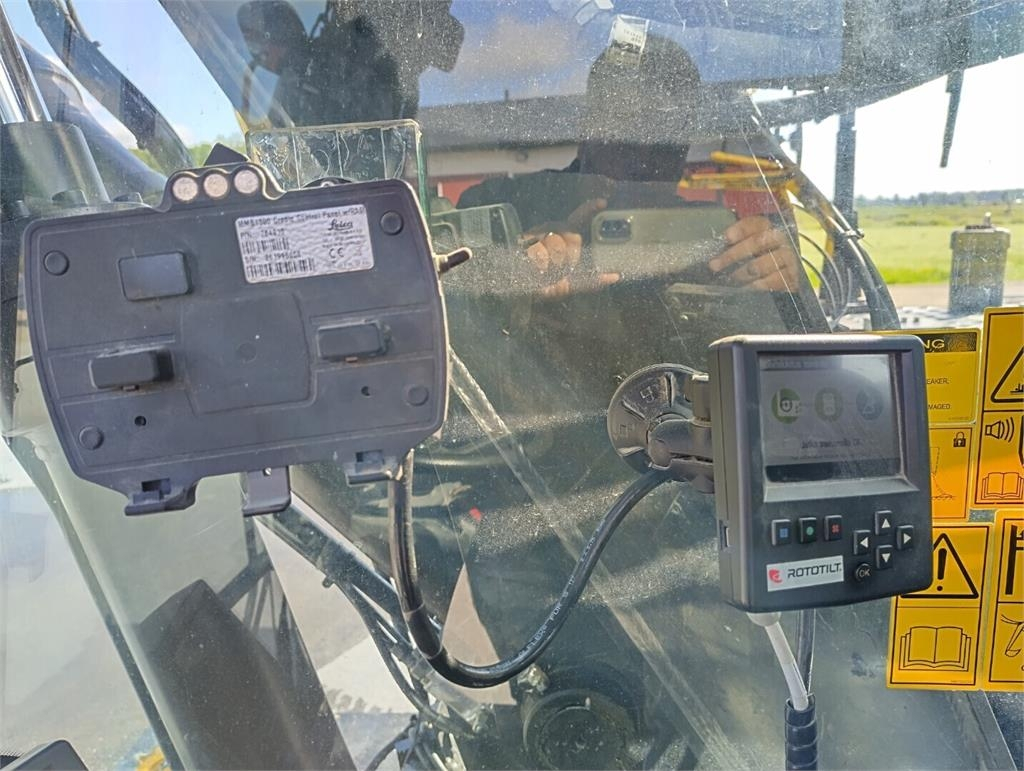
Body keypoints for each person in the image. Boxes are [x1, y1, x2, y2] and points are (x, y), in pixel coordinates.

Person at [456, 32, 804, 297]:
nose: (647, 158)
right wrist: (513, 268)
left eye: (668, 137)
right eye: (628, 130)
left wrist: (781, 284)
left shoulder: (715, 238)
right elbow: (451, 286)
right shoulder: (502, 208)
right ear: (589, 128)